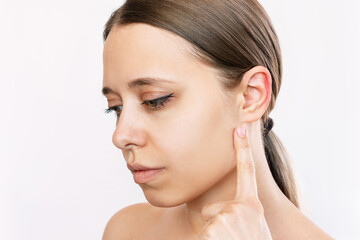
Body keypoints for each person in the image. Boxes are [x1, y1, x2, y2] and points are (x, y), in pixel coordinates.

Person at [101, 0, 334, 239]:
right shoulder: (126, 230)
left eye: (155, 100)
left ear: (250, 96)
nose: (120, 136)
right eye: (115, 107)